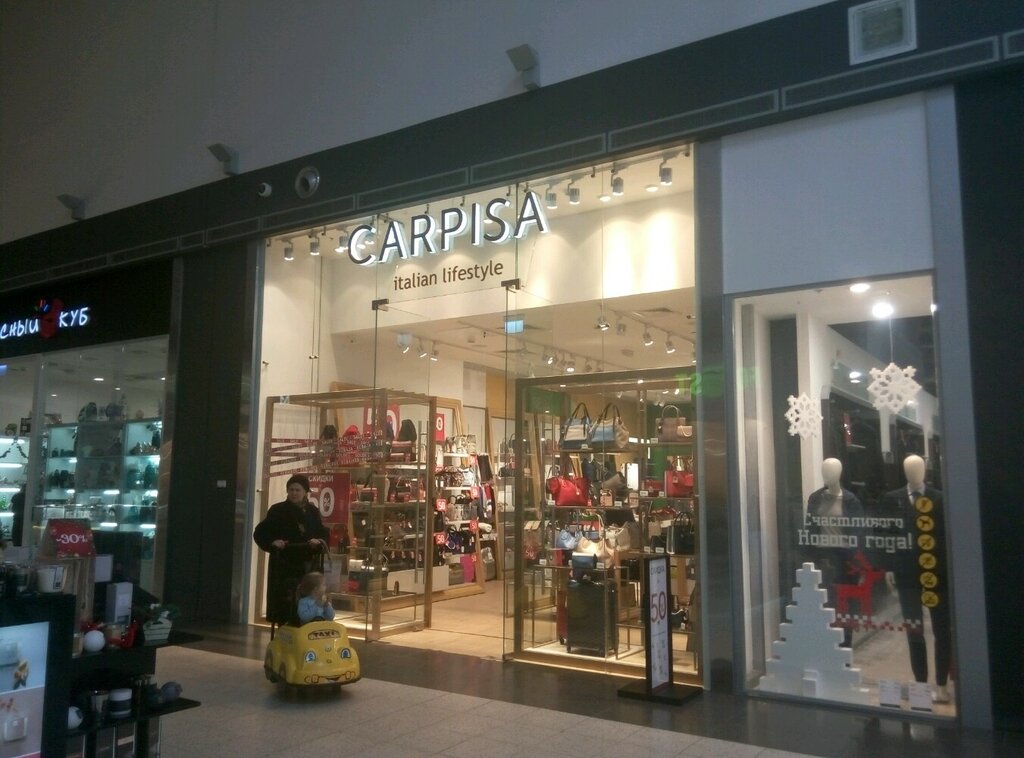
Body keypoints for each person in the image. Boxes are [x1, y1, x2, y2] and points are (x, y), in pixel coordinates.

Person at [880, 454, 951, 703]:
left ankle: (941, 683)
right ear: (903, 471)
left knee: (942, 630)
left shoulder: (938, 498)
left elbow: (946, 537)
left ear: (925, 470)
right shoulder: (893, 499)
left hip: (936, 573)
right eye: (910, 469)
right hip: (906, 572)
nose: (915, 473)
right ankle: (921, 683)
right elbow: (888, 536)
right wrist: (889, 567)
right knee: (914, 629)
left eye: (918, 468)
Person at [803, 457, 864, 647]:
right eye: (824, 471)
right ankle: (825, 647)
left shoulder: (850, 500)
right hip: (823, 556)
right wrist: (808, 555)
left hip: (844, 557)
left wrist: (859, 562)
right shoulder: (816, 498)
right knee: (824, 603)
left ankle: (844, 647)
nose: (827, 475)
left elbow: (858, 532)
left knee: (844, 605)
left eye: (831, 471)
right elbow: (810, 527)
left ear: (839, 473)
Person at [253, 474, 329, 625]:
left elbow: (322, 532)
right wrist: (273, 542)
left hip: (308, 566)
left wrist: (318, 541)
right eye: (291, 489)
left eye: (297, 490)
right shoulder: (277, 510)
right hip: (284, 565)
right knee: (285, 604)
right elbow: (261, 533)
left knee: (308, 602)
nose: (294, 493)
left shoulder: (313, 511)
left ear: (305, 492)